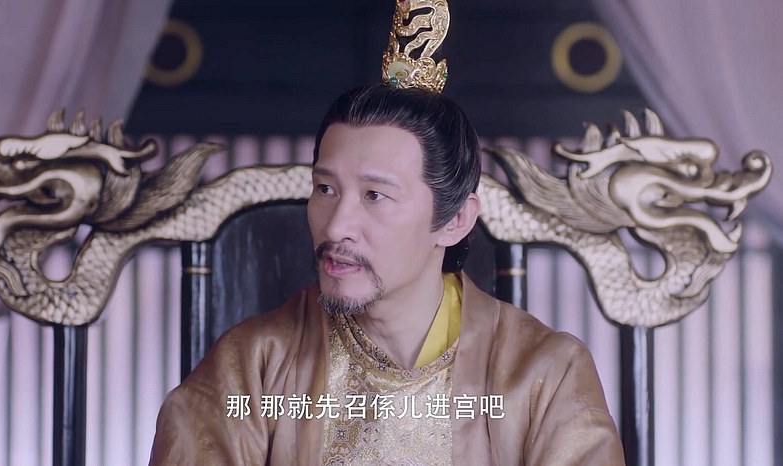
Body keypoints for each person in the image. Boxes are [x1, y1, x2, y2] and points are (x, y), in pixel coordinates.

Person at [151, 1, 624, 464]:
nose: (336, 225)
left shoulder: (545, 375)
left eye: (375, 195)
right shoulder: (251, 366)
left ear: (455, 220)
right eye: (325, 188)